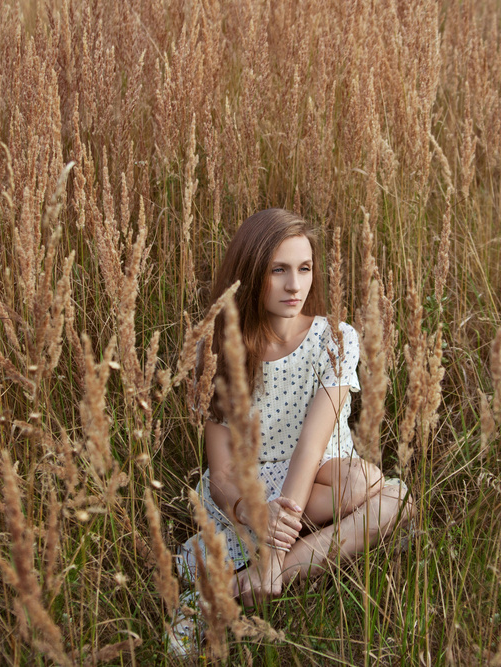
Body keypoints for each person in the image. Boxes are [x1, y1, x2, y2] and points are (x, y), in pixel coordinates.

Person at [171, 208, 411, 651]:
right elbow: (221, 470)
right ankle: (246, 578)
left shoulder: (335, 339)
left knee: (387, 494)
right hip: (250, 492)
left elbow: (311, 445)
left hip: (320, 474)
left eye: (304, 269)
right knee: (372, 490)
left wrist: (275, 552)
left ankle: (256, 579)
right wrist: (250, 511)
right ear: (249, 273)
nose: (294, 285)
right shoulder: (219, 348)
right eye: (277, 270)